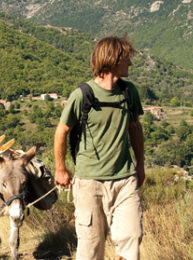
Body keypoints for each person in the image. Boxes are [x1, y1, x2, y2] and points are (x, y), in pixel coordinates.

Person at [53, 36, 145, 260]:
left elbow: (135, 129)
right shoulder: (82, 95)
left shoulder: (129, 92)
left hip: (124, 180)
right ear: (113, 60)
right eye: (126, 59)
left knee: (132, 238)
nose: (130, 64)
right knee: (91, 249)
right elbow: (61, 131)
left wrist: (140, 165)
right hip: (88, 183)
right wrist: (60, 168)